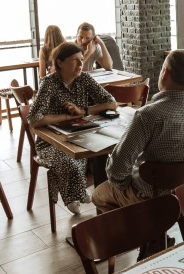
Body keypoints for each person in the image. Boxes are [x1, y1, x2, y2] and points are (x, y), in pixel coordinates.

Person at [92, 49, 184, 218]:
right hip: (183, 195)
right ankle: (154, 234)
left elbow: (117, 171)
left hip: (148, 197)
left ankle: (145, 232)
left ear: (164, 73)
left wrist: (128, 186)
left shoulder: (148, 115)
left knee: (98, 194)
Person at [28, 42, 118, 214]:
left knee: (105, 156)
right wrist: (69, 117)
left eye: (82, 60)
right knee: (69, 161)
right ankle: (76, 194)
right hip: (50, 142)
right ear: (60, 63)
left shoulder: (83, 78)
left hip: (81, 136)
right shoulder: (49, 83)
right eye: (74, 60)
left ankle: (85, 195)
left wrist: (83, 111)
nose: (80, 64)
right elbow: (34, 119)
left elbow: (111, 103)